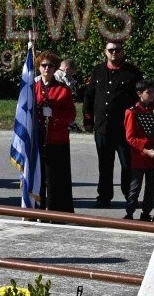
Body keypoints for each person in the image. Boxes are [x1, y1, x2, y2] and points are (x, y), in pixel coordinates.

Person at [85, 40, 144, 209]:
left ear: (122, 52)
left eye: (117, 50)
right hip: (103, 127)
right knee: (105, 165)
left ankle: (129, 196)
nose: (114, 53)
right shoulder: (98, 71)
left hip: (125, 129)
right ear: (105, 52)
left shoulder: (133, 73)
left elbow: (139, 100)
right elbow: (89, 96)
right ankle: (104, 196)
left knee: (127, 165)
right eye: (111, 50)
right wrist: (88, 120)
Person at [32, 52, 77, 212]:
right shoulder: (33, 88)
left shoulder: (63, 90)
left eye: (50, 66)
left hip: (57, 139)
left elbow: (71, 114)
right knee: (38, 177)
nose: (47, 69)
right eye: (44, 65)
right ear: (39, 67)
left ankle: (57, 212)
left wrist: (53, 114)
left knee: (57, 178)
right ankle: (37, 208)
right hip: (37, 139)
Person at [122, 78, 154, 222]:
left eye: (153, 92)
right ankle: (129, 212)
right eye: (148, 92)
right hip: (140, 157)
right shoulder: (132, 112)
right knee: (135, 187)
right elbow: (130, 137)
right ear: (140, 94)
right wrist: (146, 149)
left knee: (151, 187)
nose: (152, 95)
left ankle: (146, 213)